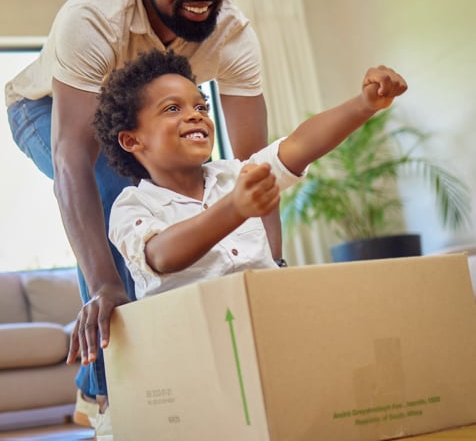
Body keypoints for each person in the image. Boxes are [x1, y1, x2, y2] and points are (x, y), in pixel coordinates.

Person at [4, 0, 282, 441]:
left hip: (143, 117)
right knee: (123, 202)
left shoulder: (233, 35)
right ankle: (108, 393)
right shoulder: (91, 19)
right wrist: (107, 284)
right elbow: (71, 162)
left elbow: (255, 170)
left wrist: (270, 264)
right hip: (43, 110)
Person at [92, 48, 407, 301]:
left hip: (272, 316)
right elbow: (161, 255)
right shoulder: (132, 205)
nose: (195, 115)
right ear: (132, 139)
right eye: (172, 109)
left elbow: (299, 146)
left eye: (201, 108)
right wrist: (234, 208)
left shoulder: (235, 174)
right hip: (196, 344)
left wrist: (363, 105)